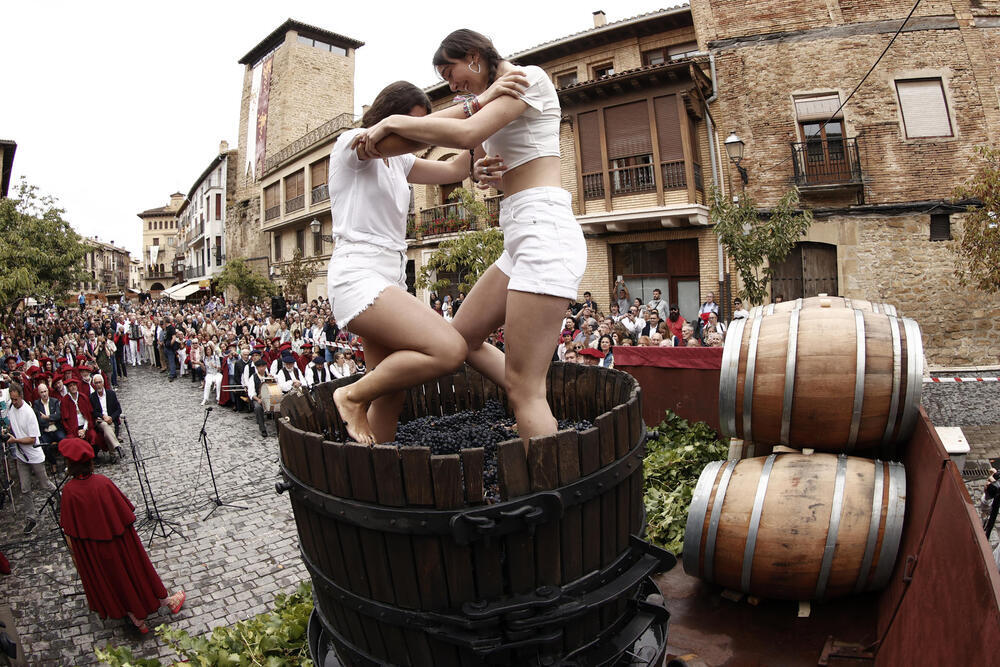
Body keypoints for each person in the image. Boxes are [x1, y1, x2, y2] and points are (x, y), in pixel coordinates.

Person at [352, 30, 586, 448]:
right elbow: (477, 154)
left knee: (524, 390)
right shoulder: (496, 98)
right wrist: (482, 173)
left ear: (474, 56)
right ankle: (529, 390)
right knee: (461, 339)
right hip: (519, 231)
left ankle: (547, 484)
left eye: (451, 71)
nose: (452, 84)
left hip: (544, 229)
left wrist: (387, 120)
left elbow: (461, 133)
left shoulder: (524, 78)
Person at [326, 79, 543, 445]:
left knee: (392, 394)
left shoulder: (401, 162)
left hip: (389, 278)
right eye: (413, 123)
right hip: (358, 275)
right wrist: (480, 103)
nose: (419, 133)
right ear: (389, 116)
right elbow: (416, 138)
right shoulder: (354, 142)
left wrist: (486, 127)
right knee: (449, 348)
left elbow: (456, 168)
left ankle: (379, 475)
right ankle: (350, 396)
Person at [57, 438, 185, 634]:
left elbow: (71, 531)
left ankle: (137, 620)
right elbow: (125, 515)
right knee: (136, 570)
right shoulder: (103, 483)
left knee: (113, 580)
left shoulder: (69, 492)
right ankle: (166, 601)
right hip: (119, 544)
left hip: (95, 551)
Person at [6, 385, 57, 534]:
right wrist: (8, 431)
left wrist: (15, 441)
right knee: (24, 488)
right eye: (12, 399)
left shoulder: (29, 413)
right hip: (21, 456)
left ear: (21, 396)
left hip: (34, 455)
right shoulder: (11, 408)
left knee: (45, 483)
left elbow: (32, 439)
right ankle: (31, 518)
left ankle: (60, 498)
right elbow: (13, 425)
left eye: (16, 399)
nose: (14, 402)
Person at [89, 374, 124, 460]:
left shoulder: (111, 394)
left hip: (111, 420)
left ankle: (113, 455)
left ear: (103, 383)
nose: (98, 385)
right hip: (100, 421)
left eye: (100, 382)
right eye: (96, 383)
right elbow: (93, 411)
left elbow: (119, 410)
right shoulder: (92, 397)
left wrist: (111, 417)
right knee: (105, 425)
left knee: (108, 429)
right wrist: (103, 416)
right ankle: (117, 446)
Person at [33, 382, 65, 464]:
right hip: (46, 431)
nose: (44, 394)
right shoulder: (36, 404)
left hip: (56, 429)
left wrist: (47, 417)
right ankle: (53, 463)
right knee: (44, 446)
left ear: (48, 391)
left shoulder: (55, 401)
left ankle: (67, 463)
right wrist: (51, 419)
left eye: (45, 391)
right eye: (41, 392)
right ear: (38, 393)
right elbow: (40, 420)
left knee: (64, 441)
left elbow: (58, 416)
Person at [245, 358, 271, 438]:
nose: (261, 368)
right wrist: (258, 399)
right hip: (258, 398)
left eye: (263, 366)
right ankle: (262, 429)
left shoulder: (269, 376)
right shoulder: (253, 377)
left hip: (269, 398)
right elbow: (251, 393)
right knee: (257, 407)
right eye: (259, 367)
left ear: (266, 367)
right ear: (256, 368)